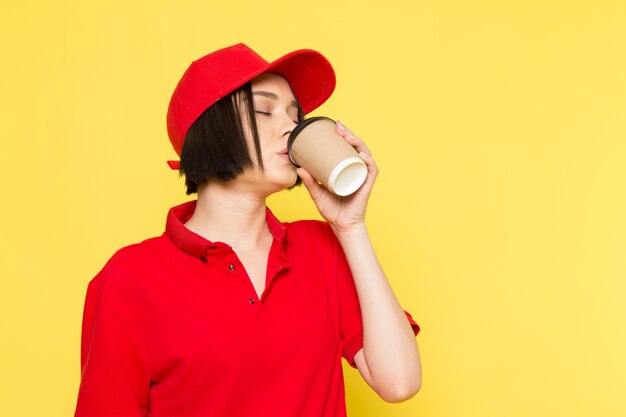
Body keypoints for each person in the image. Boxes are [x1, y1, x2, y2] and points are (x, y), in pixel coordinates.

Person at [74, 43, 421, 417]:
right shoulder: (129, 281)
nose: (292, 127)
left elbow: (399, 382)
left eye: (294, 114)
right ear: (209, 130)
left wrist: (351, 228)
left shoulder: (321, 248)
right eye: (263, 110)